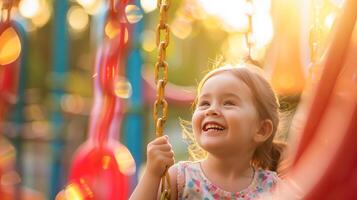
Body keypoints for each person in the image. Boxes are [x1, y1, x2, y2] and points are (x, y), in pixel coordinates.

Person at [130, 63, 287, 200]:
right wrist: (152, 174)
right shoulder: (181, 178)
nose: (211, 110)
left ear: (261, 129)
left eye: (229, 103)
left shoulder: (273, 188)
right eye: (204, 103)